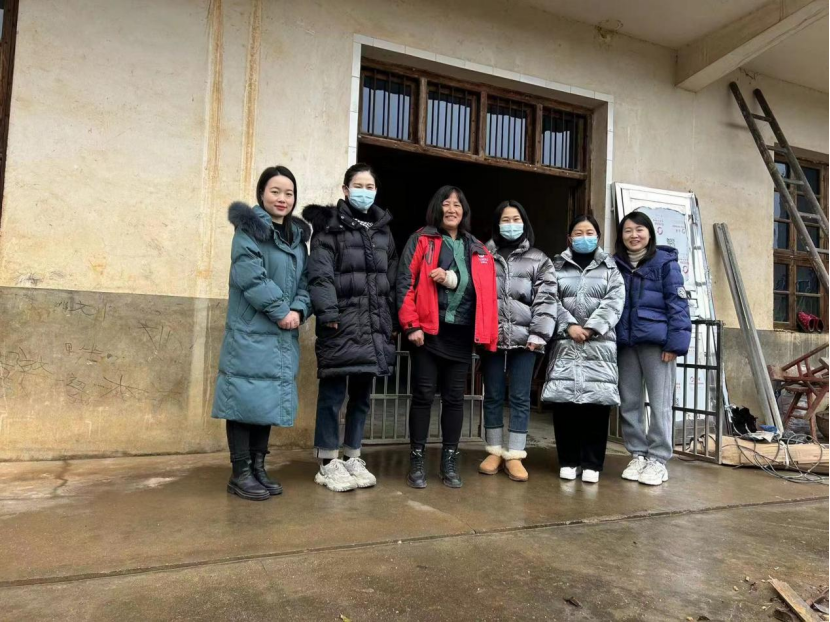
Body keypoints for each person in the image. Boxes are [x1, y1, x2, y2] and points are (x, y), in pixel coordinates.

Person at [212, 166, 311, 501]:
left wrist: (299, 310)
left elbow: (305, 283)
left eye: (289, 193)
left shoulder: (297, 239)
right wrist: (282, 312)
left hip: (282, 333)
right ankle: (240, 472)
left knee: (266, 399)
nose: (282, 199)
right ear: (261, 193)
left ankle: (258, 467)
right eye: (275, 191)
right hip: (251, 331)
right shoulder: (248, 232)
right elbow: (251, 277)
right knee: (244, 398)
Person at [302, 163, 398, 492]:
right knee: (332, 394)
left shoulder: (383, 231)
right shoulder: (329, 226)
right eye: (358, 185)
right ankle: (327, 460)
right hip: (340, 322)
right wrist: (328, 311)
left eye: (370, 187)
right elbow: (320, 272)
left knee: (361, 396)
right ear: (345, 189)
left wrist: (390, 315)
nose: (364, 192)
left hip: (373, 323)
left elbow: (391, 277)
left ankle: (353, 455)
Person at [397, 186, 498, 489]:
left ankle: (449, 461)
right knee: (423, 395)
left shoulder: (477, 247)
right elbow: (404, 282)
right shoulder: (421, 239)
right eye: (446, 203)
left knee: (455, 399)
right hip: (427, 331)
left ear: (464, 211)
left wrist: (452, 279)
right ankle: (417, 459)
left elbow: (485, 289)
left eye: (458, 204)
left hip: (461, 333)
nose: (452, 209)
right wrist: (411, 325)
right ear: (437, 208)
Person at [542, 215, 624, 484]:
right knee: (565, 403)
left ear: (598, 237)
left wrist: (591, 328)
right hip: (566, 344)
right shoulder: (556, 266)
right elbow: (549, 299)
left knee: (596, 404)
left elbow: (614, 301)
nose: (584, 237)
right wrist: (569, 326)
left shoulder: (610, 267)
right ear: (569, 238)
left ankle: (591, 463)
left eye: (589, 232)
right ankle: (568, 460)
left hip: (599, 346)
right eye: (578, 233)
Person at [479, 200, 557, 482]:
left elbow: (547, 298)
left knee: (520, 397)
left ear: (524, 223)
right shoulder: (484, 255)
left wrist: (539, 334)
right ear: (497, 224)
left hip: (526, 341)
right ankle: (494, 450)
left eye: (516, 219)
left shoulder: (539, 259)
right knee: (493, 394)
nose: (510, 224)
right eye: (505, 219)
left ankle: (514, 454)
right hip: (491, 338)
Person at [614, 211, 691, 486]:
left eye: (639, 230)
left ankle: (658, 459)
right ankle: (638, 454)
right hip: (626, 342)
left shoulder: (665, 263)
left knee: (659, 404)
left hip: (657, 344)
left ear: (649, 233)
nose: (634, 235)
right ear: (621, 236)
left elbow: (678, 305)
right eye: (628, 230)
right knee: (629, 402)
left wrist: (675, 344)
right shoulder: (615, 264)